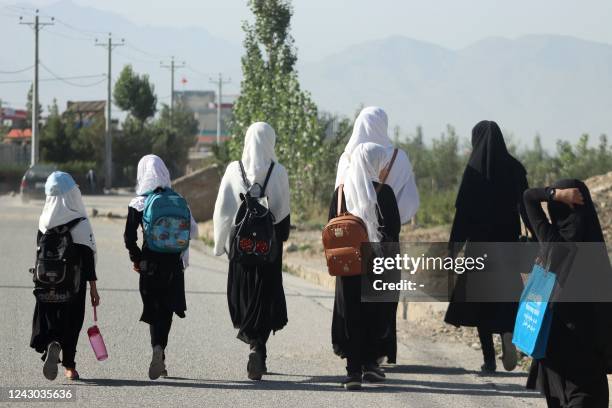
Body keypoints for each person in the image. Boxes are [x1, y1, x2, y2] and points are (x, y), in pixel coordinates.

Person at [444, 120, 532, 373]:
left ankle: (489, 360)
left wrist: (453, 247)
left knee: (481, 302)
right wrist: (538, 234)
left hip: (479, 247)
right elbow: (526, 206)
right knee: (506, 296)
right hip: (507, 244)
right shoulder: (515, 168)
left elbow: (463, 215)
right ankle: (506, 332)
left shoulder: (474, 170)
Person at [335, 106, 419, 367]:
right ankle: (379, 352)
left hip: (351, 241)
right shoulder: (398, 158)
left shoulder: (346, 158)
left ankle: (350, 352)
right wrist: (384, 221)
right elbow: (409, 202)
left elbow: (338, 201)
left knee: (350, 295)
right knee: (382, 296)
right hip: (385, 240)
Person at [213, 122, 291, 381]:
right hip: (268, 249)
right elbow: (282, 215)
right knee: (266, 299)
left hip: (242, 250)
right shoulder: (278, 171)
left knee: (246, 298)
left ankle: (255, 347)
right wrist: (279, 242)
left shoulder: (233, 169)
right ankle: (260, 348)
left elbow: (223, 211)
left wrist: (220, 244)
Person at [524, 180, 611, 408]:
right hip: (587, 350)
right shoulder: (596, 254)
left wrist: (554, 194)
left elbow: (528, 197)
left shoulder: (553, 243)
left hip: (552, 344)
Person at [330, 142, 402, 390]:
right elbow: (394, 230)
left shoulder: (340, 191)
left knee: (351, 312)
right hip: (378, 263)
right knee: (375, 311)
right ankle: (371, 364)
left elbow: (332, 223)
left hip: (348, 263)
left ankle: (352, 372)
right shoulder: (385, 192)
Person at [123, 154, 198, 380]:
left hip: (150, 264)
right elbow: (192, 231)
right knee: (166, 311)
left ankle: (156, 349)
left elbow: (128, 237)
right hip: (174, 264)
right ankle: (161, 351)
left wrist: (136, 258)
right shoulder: (177, 199)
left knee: (154, 310)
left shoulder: (138, 202)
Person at [30, 171, 100, 381]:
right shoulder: (80, 223)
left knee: (50, 316)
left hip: (46, 282)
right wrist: (94, 291)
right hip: (74, 286)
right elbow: (88, 262)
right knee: (72, 322)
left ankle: (52, 343)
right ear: (72, 194)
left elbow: (38, 252)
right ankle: (69, 366)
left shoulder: (45, 220)